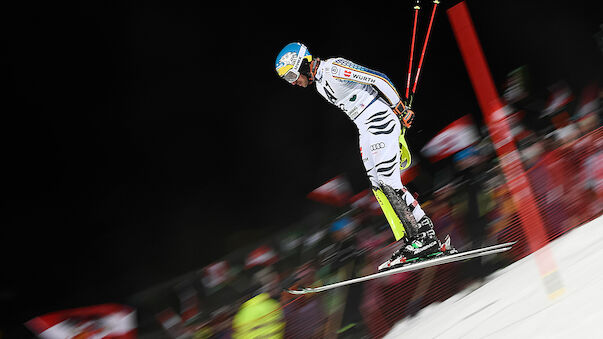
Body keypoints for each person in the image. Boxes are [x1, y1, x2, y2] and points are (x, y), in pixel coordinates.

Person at [275, 42, 454, 271]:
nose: (293, 82)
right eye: (287, 80)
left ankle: (425, 235)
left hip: (380, 122)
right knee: (378, 186)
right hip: (365, 129)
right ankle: (412, 238)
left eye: (291, 75)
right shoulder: (320, 84)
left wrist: (399, 108)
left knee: (390, 183)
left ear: (303, 62)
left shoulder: (333, 68)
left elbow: (377, 78)